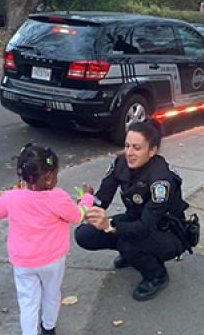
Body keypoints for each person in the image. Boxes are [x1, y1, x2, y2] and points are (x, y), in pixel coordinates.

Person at [0, 144, 93, 335]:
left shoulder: (12, 197)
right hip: (53, 260)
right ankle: (48, 330)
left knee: (28, 301)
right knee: (52, 293)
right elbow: (77, 216)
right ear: (48, 177)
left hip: (24, 263)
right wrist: (86, 199)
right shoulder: (58, 198)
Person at [75, 119, 188, 301]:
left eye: (137, 148)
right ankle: (134, 254)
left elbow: (145, 227)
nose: (129, 153)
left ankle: (157, 275)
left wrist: (110, 226)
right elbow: (102, 198)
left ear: (152, 150)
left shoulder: (161, 180)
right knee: (84, 235)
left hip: (167, 232)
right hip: (135, 220)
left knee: (127, 242)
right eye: (127, 146)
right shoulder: (120, 163)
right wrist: (87, 204)